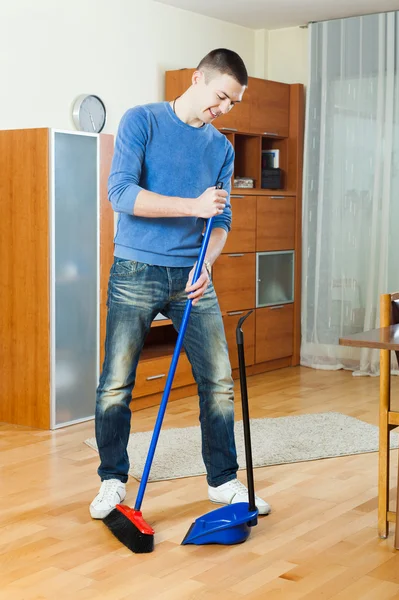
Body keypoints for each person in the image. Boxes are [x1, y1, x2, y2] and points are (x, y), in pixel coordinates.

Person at [90, 48, 271, 519]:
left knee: (219, 381)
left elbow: (223, 217)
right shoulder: (142, 121)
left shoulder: (221, 148)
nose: (224, 110)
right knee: (116, 383)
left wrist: (207, 263)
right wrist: (192, 206)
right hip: (135, 271)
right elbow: (121, 194)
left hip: (193, 276)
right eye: (221, 97)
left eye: (233, 103)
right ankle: (112, 481)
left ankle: (223, 481)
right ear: (196, 78)